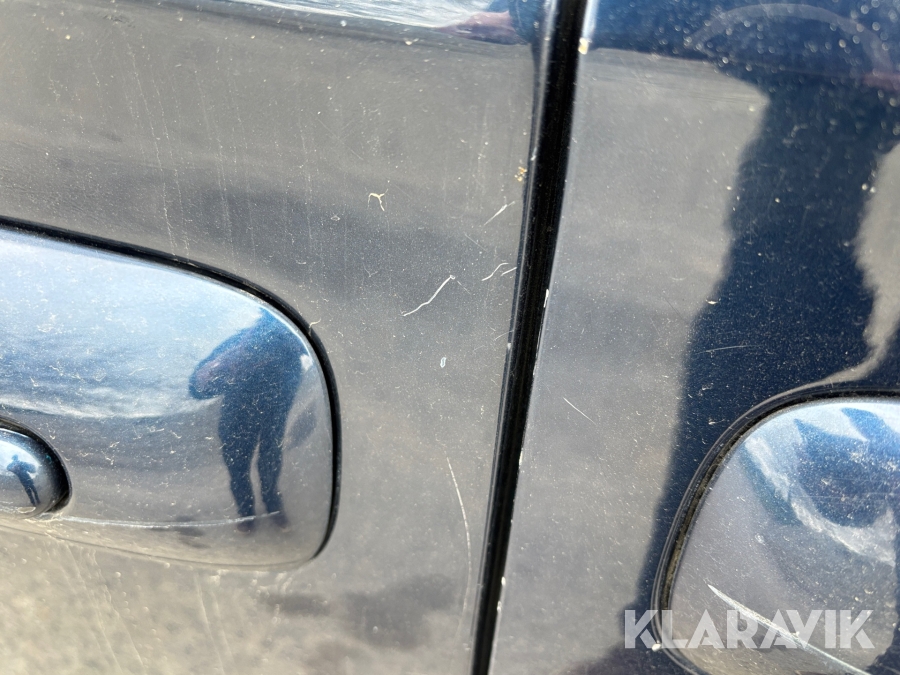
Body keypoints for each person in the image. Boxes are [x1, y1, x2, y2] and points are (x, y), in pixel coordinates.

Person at [190, 312, 304, 533]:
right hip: (236, 421)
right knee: (238, 469)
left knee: (270, 464)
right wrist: (222, 366)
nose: (274, 335)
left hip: (273, 423)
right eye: (269, 325)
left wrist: (292, 350)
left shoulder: (291, 356)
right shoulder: (240, 344)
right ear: (260, 322)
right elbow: (197, 388)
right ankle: (246, 513)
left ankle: (273, 506)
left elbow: (292, 394)